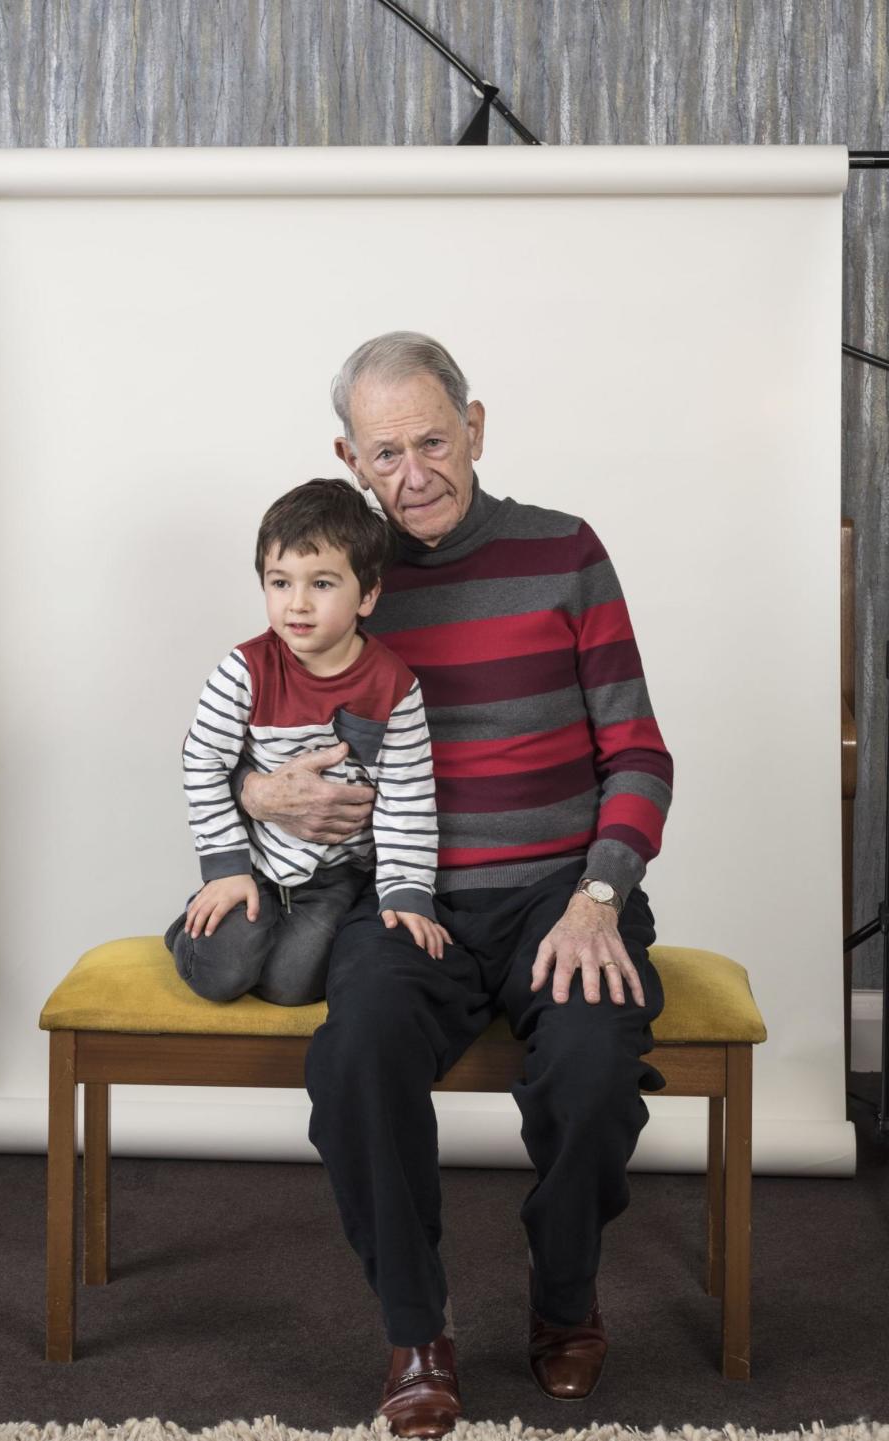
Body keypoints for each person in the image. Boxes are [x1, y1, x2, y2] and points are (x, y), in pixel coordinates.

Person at [237, 334, 674, 1435]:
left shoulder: (565, 552)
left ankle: (564, 1294)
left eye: (434, 440)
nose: (414, 471)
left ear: (475, 427)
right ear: (349, 454)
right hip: (405, 895)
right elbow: (249, 735)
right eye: (385, 452)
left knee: (590, 1065)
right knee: (354, 1053)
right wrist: (258, 796)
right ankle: (415, 1329)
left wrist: (600, 896)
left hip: (560, 896)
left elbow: (640, 754)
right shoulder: (347, 577)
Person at [164, 478, 450, 1008]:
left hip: (336, 878)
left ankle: (267, 942)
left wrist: (408, 892)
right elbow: (201, 760)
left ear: (367, 594)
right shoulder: (243, 671)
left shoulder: (395, 686)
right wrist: (226, 870)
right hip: (254, 862)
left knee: (293, 985)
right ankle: (189, 933)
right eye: (280, 583)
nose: (297, 604)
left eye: (321, 584)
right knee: (225, 971)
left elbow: (408, 797)